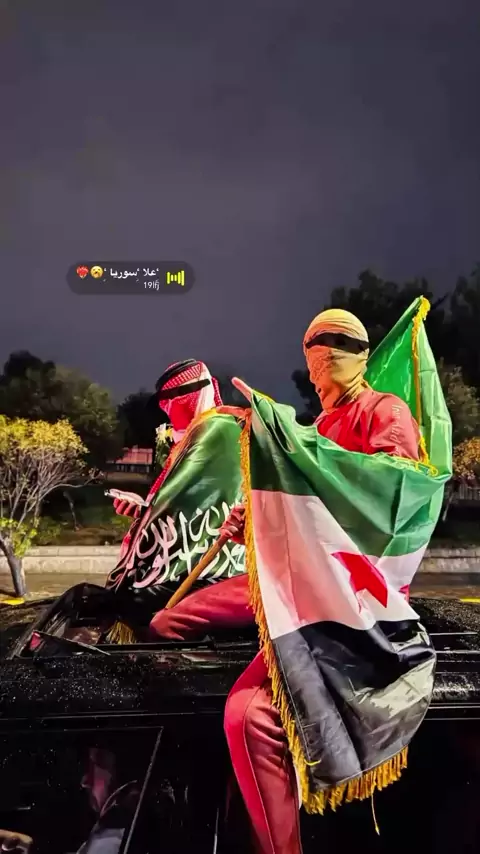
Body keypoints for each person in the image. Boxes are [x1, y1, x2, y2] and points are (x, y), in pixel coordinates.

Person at [150, 310, 422, 854]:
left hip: (345, 601)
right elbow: (298, 510)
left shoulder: (385, 413)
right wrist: (253, 519)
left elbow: (387, 511)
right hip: (287, 580)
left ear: (358, 357)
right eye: (313, 359)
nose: (321, 368)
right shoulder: (319, 428)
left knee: (248, 716)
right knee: (167, 621)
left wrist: (284, 465)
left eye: (332, 354)